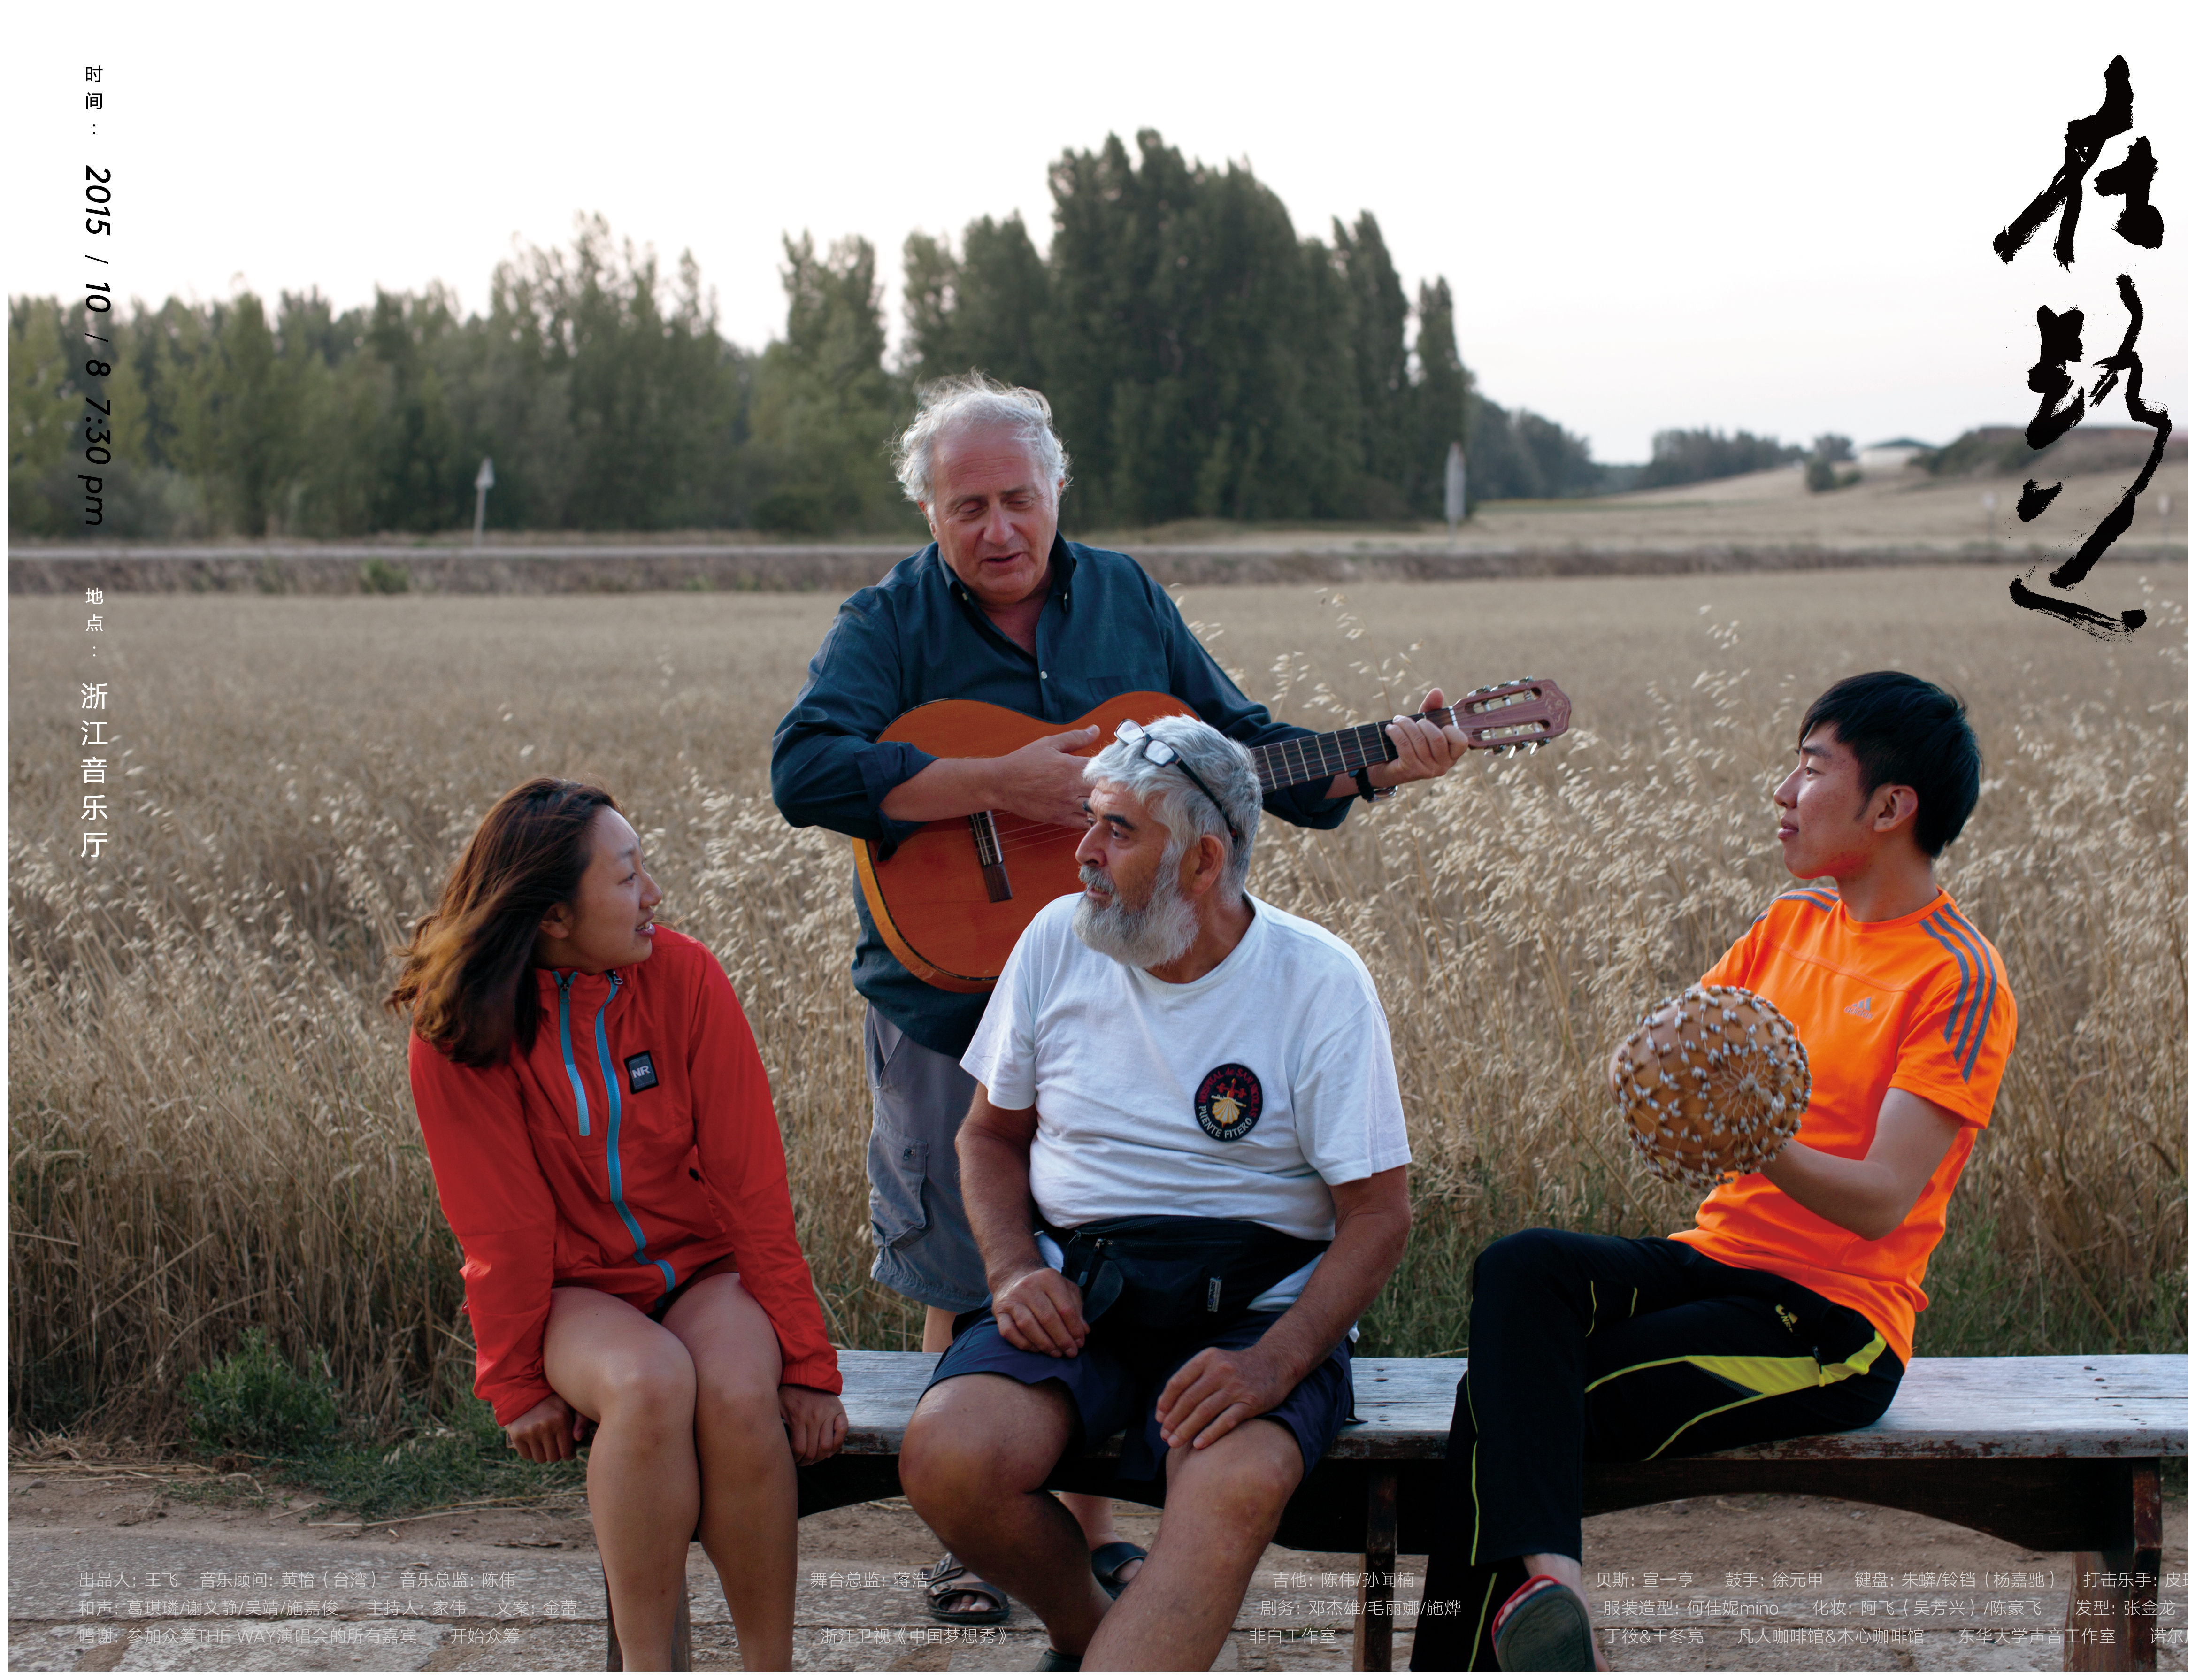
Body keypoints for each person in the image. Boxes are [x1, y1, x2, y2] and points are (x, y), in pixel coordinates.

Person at [768, 373, 1464, 1616]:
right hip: (950, 984)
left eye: (1016, 500)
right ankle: (989, 1542)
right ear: (929, 512)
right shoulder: (888, 620)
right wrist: (992, 784)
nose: (995, 528)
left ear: (1055, 494)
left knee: (1081, 1245)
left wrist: (1372, 762)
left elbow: (1233, 746)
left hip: (1126, 982)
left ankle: (1082, 1562)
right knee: (966, 1268)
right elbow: (805, 768)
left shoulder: (1127, 597)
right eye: (965, 505)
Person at [1409, 671, 2018, 1671]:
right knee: (1522, 1267)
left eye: (1811, 767)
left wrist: (1753, 1134)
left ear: (1889, 806)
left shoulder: (1954, 974)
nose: (1782, 789)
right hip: (1714, 1257)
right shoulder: (1790, 925)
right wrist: (1645, 1073)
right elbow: (1681, 1053)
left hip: (1830, 1322)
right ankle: (1549, 1591)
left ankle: (1512, 1628)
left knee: (1501, 1408)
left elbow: (1877, 1201)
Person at [898, 715, 1413, 1670]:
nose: (1083, 852)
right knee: (948, 1456)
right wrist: (1011, 1270)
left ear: (1204, 858)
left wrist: (1274, 1363)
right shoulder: (1057, 940)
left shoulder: (1317, 982)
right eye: (1090, 820)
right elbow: (988, 1134)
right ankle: (1092, 1630)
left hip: (1256, 1316)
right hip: (1077, 1297)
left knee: (1228, 1483)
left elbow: (1378, 1214)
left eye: (1117, 830)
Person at [390, 778, 845, 1671]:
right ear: (554, 915)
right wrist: (515, 1381)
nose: (655, 897)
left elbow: (752, 1189)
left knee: (739, 1394)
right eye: (629, 877)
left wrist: (804, 1357)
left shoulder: (686, 977)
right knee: (645, 1383)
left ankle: (770, 1667)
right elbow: (504, 1229)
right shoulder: (459, 1029)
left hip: (701, 1272)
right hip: (576, 1292)